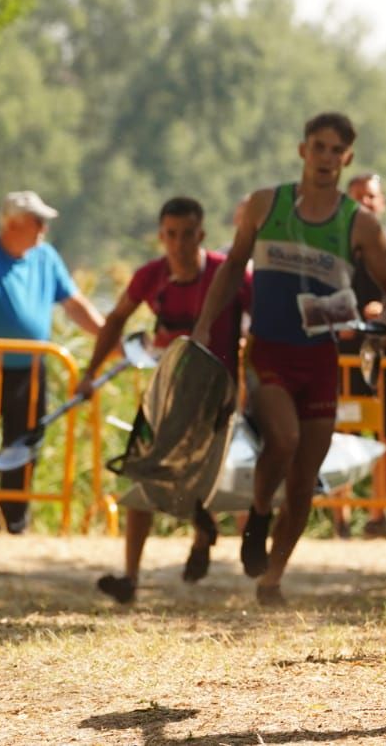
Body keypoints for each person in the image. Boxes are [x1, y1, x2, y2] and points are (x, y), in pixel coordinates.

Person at [190, 112, 386, 606]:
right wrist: (204, 324)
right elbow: (231, 268)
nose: (327, 158)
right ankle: (260, 512)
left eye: (337, 151)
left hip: (321, 360)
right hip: (268, 351)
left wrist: (382, 325)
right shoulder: (268, 204)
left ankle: (273, 579)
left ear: (347, 158)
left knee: (307, 479)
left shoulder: (360, 222)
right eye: (319, 147)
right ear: (302, 150)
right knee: (282, 438)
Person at [79, 196, 252, 603]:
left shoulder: (232, 277)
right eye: (171, 235)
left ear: (202, 235)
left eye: (188, 234)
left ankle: (202, 535)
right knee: (142, 475)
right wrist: (89, 374)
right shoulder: (150, 277)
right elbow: (117, 318)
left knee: (202, 477)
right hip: (166, 396)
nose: (179, 244)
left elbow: (264, 324)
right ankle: (131, 578)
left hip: (217, 400)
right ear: (161, 236)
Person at [0, 191, 104, 533]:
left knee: (24, 446)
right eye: (37, 222)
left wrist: (107, 338)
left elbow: (74, 304)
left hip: (30, 369)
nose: (43, 229)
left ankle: (12, 523)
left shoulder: (45, 258)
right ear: (12, 223)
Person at [333, 172, 386, 540]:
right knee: (340, 434)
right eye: (356, 197)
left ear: (381, 202)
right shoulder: (332, 249)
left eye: (371, 197)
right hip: (344, 355)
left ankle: (378, 515)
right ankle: (340, 518)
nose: (365, 203)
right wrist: (344, 318)